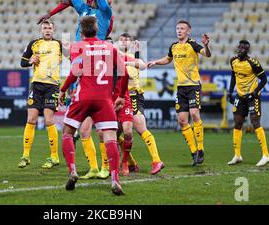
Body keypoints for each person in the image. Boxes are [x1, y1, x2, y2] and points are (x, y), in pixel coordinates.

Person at [58, 16, 128, 196]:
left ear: (81, 33)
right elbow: (125, 73)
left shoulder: (78, 47)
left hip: (82, 97)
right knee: (110, 137)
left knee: (67, 132)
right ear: (98, 31)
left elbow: (74, 73)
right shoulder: (110, 47)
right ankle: (115, 180)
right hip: (104, 100)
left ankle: (73, 170)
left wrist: (63, 89)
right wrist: (120, 95)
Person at [148, 20, 211, 166]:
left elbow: (206, 54)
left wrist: (207, 45)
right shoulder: (174, 46)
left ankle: (201, 149)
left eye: (182, 28)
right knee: (182, 120)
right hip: (181, 88)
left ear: (188, 31)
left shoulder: (193, 44)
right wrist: (156, 62)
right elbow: (168, 59)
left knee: (194, 114)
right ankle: (194, 152)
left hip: (194, 86)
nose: (179, 31)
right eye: (177, 28)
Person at [18, 20, 63, 169]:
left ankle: (54, 156)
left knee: (49, 120)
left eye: (50, 28)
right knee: (31, 119)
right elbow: (22, 63)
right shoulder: (33, 44)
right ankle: (25, 156)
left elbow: (74, 59)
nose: (47, 30)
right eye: (45, 28)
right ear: (41, 30)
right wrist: (31, 60)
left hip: (52, 86)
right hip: (36, 85)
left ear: (53, 30)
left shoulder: (59, 44)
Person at [119, 33, 164, 174]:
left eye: (127, 40)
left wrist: (127, 61)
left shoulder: (131, 59)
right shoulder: (117, 57)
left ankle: (156, 160)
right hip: (119, 99)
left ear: (131, 44)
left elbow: (140, 68)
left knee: (140, 128)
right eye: (121, 40)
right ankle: (131, 163)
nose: (123, 42)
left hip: (133, 97)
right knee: (114, 134)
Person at [227, 40, 269, 167]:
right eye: (239, 47)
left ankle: (266, 155)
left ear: (247, 50)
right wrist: (230, 92)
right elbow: (233, 76)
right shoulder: (233, 61)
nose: (240, 50)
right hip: (240, 97)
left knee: (255, 122)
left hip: (253, 97)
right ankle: (237, 155)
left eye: (243, 48)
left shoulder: (253, 63)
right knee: (238, 123)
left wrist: (255, 92)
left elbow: (264, 79)